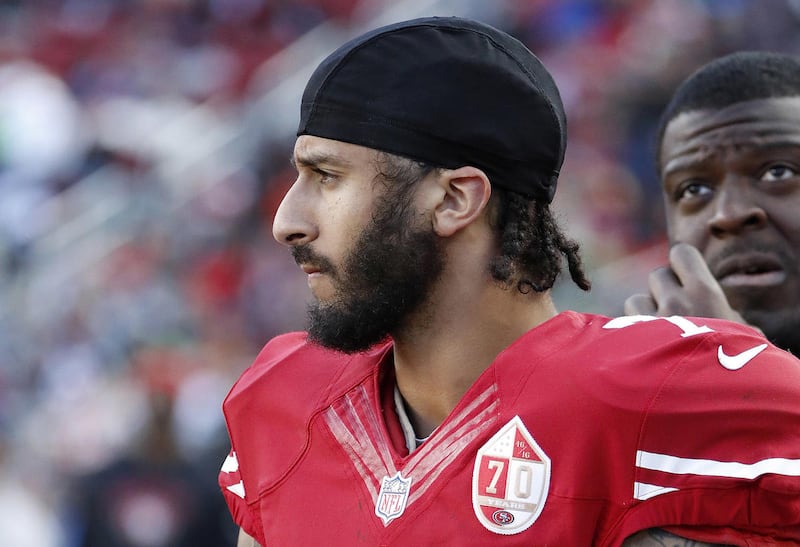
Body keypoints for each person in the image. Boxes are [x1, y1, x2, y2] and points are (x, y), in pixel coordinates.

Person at [218, 18, 800, 546]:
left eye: (327, 177)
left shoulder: (659, 386)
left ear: (453, 199)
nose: (286, 222)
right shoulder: (283, 396)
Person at [624, 51, 800, 356]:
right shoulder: (636, 391)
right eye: (694, 189)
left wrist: (728, 373)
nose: (728, 215)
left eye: (778, 172)